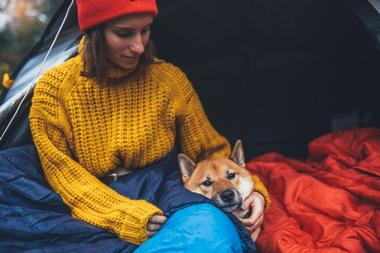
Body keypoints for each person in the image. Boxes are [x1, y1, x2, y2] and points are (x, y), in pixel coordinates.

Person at [29, 0, 270, 251]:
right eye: (124, 33)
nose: (139, 47)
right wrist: (120, 214)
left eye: (145, 30)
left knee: (211, 235)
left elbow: (211, 155)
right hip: (93, 199)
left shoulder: (168, 80)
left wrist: (252, 192)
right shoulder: (54, 91)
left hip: (166, 189)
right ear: (94, 32)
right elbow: (63, 173)